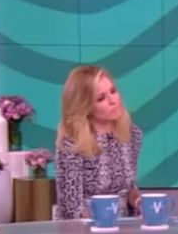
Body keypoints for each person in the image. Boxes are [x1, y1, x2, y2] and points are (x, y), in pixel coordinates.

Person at [56, 65, 144, 219]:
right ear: (85, 106)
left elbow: (128, 188)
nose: (113, 100)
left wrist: (139, 202)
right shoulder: (72, 143)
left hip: (124, 228)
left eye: (113, 91)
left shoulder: (132, 134)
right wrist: (103, 225)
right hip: (84, 229)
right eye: (101, 98)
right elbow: (71, 207)